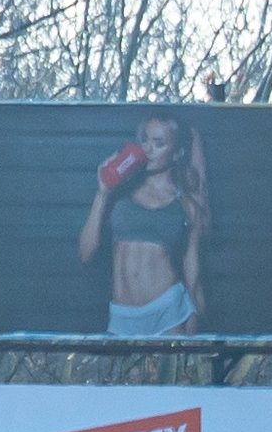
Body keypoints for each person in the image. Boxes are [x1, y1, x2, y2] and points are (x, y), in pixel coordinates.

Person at [77, 108, 210, 336]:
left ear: (177, 153)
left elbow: (192, 268)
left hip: (169, 313)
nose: (148, 149)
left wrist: (199, 321)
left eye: (159, 143)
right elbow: (86, 253)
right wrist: (102, 193)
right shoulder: (119, 192)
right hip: (122, 316)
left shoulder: (185, 204)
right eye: (145, 140)